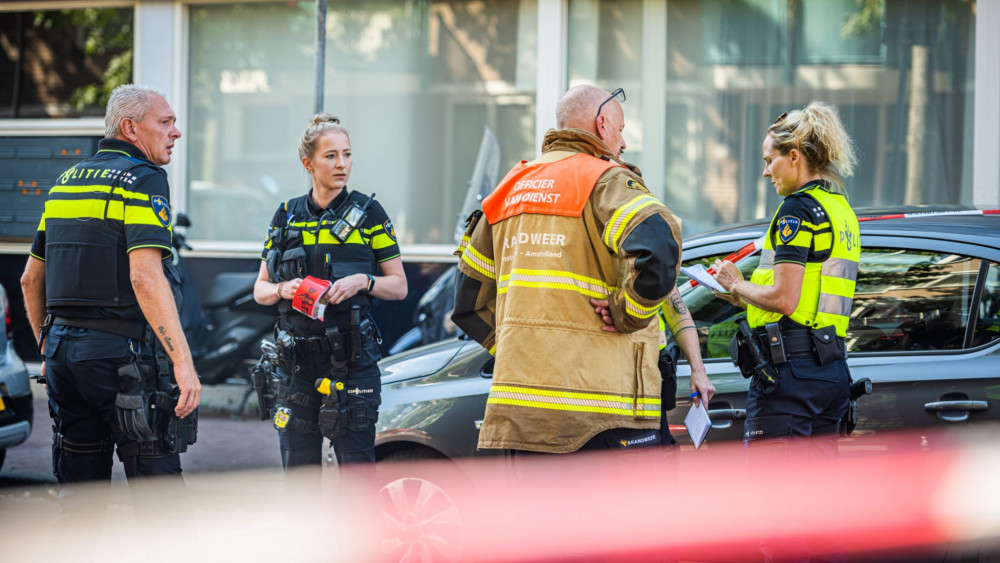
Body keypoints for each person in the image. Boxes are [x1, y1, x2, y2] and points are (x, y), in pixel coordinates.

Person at [452, 84, 713, 455]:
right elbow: (659, 246)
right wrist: (626, 316)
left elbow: (467, 300)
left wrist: (522, 347)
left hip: (522, 419)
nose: (623, 144)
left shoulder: (510, 187)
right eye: (621, 131)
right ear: (601, 124)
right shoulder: (604, 180)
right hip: (605, 415)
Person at [19, 84, 201, 485]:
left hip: (64, 359)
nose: (176, 132)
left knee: (80, 500)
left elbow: (30, 279)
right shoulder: (144, 178)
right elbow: (144, 275)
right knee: (159, 498)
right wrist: (183, 364)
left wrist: (47, 348)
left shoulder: (66, 181)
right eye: (165, 122)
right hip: (122, 362)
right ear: (130, 129)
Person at [253, 114, 407, 469]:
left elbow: (399, 286)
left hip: (352, 362)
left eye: (347, 154)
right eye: (331, 156)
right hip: (296, 365)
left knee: (357, 476)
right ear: (308, 163)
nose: (342, 164)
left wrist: (363, 281)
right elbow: (260, 290)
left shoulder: (369, 214)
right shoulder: (286, 215)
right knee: (299, 478)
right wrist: (282, 288)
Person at [712, 101, 859, 450]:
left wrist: (737, 282)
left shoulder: (797, 210)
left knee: (774, 501)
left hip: (791, 376)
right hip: (830, 372)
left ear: (794, 157)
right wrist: (740, 294)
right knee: (816, 500)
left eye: (769, 161)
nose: (765, 172)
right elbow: (811, 292)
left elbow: (785, 300)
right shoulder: (840, 209)